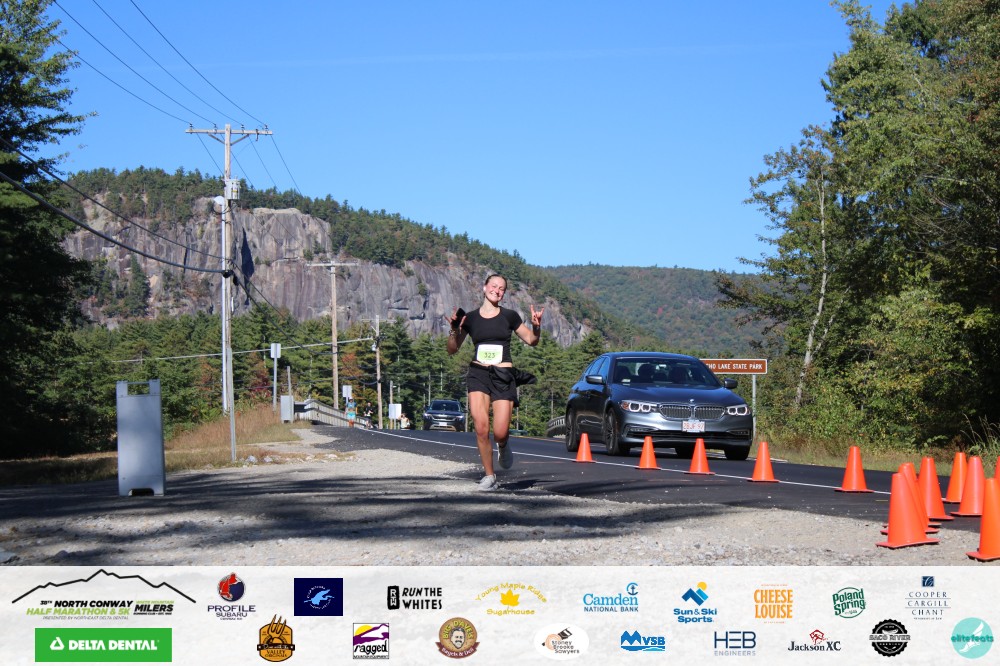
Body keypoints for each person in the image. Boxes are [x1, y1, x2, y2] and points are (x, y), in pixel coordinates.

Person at [447, 273, 544, 491]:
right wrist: (454, 330)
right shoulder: (470, 318)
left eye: (501, 288)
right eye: (493, 286)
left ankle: (503, 443)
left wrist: (536, 327)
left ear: (504, 294)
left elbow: (532, 340)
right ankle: (489, 476)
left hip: (503, 375)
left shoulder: (510, 316)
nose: (497, 290)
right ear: (484, 287)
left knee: (500, 432)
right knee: (481, 428)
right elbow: (452, 349)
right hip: (478, 374)